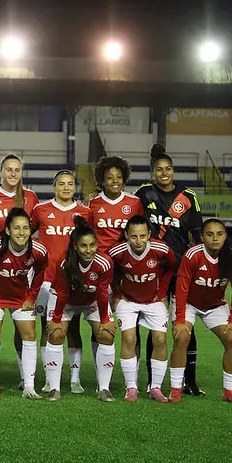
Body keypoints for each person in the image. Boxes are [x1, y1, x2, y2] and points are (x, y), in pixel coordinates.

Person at [136, 144, 204, 396]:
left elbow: (197, 235)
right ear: (153, 172)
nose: (164, 173)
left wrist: (199, 266)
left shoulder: (188, 197)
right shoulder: (143, 193)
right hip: (152, 270)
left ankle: (189, 380)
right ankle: (152, 381)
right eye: (159, 170)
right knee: (155, 327)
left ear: (173, 171)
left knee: (185, 324)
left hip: (181, 271)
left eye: (168, 169)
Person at [169, 219, 232, 404]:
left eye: (219, 234)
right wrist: (180, 319)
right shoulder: (193, 254)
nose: (215, 238)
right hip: (188, 303)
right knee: (182, 337)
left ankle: (229, 391)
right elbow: (182, 286)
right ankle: (175, 390)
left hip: (215, 306)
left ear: (225, 235)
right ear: (202, 237)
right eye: (210, 234)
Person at [31, 171, 91, 394]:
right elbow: (27, 234)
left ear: (75, 186)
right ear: (54, 186)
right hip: (47, 280)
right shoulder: (40, 210)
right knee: (48, 329)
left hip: (75, 280)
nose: (66, 188)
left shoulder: (85, 212)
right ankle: (49, 378)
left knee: (74, 329)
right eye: (61, 184)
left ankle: (75, 379)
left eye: (70, 184)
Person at [88, 155, 145, 391]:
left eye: (119, 177)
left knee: (132, 325)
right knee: (100, 322)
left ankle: (134, 373)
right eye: (109, 177)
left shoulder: (134, 203)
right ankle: (102, 371)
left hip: (127, 273)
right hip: (100, 272)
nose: (115, 181)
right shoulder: (92, 204)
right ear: (101, 180)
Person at [44, 217, 116, 402]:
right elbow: (62, 292)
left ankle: (104, 389)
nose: (89, 250)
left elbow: (101, 293)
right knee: (56, 334)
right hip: (64, 301)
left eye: (92, 245)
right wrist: (57, 319)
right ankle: (54, 388)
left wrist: (105, 320)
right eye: (83, 246)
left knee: (107, 334)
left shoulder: (104, 263)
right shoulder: (65, 263)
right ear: (75, 246)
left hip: (92, 301)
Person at [0, 208, 48, 399]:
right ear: (8, 230)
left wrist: (31, 297)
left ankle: (28, 386)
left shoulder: (38, 250)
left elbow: (41, 272)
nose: (21, 232)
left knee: (30, 335)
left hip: (21, 298)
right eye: (16, 228)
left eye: (25, 228)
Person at [107, 216, 176, 403]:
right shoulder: (117, 251)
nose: (139, 241)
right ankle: (131, 388)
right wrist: (116, 293)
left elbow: (171, 267)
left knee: (160, 340)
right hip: (127, 300)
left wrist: (162, 293)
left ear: (149, 235)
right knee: (129, 338)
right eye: (134, 236)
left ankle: (156, 388)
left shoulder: (160, 249)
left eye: (143, 236)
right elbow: (107, 270)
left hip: (153, 300)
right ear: (126, 235)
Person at [0, 154, 39, 244]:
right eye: (9, 170)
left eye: (17, 170)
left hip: (21, 255)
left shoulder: (31, 197)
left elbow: (33, 227)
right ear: (1, 172)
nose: (13, 174)